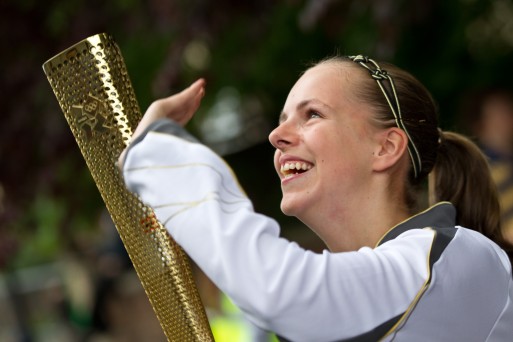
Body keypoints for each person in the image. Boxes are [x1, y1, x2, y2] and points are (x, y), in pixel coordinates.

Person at [118, 55, 513, 341]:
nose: (277, 136)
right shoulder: (332, 317)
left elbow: (280, 289)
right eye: (281, 120)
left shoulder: (459, 257)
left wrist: (159, 156)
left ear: (385, 148)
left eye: (312, 115)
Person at [460, 88, 513, 245]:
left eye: (508, 109)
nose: (508, 117)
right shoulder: (478, 172)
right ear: (479, 124)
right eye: (499, 113)